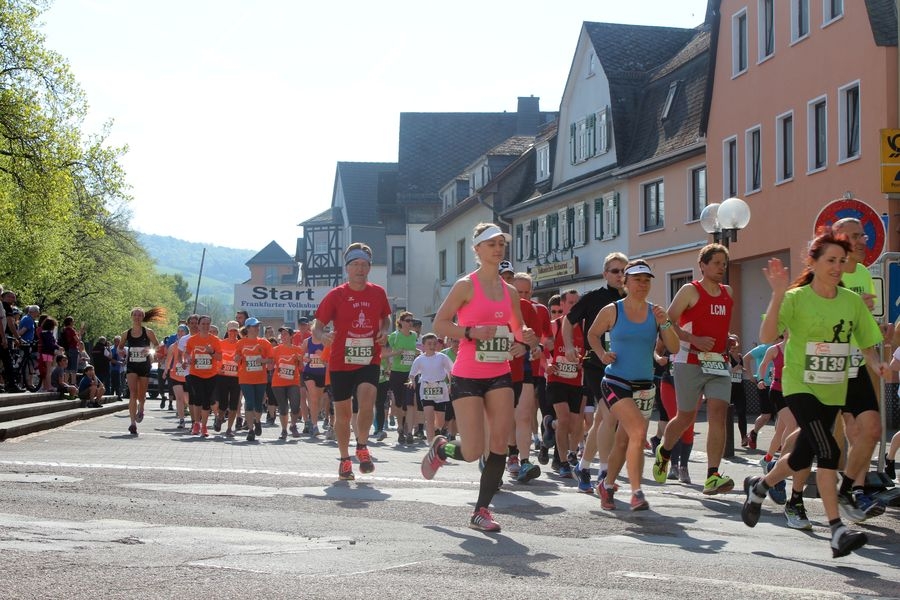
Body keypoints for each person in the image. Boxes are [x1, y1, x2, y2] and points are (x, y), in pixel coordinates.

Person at [741, 232, 886, 558]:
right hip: (800, 386)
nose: (836, 267)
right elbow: (766, 336)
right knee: (828, 449)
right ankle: (837, 531)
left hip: (833, 387)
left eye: (841, 261)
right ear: (813, 262)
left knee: (802, 456)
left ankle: (759, 486)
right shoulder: (796, 298)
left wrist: (877, 365)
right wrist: (778, 293)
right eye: (830, 260)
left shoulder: (850, 301)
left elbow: (866, 341)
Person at [420, 223, 535, 532]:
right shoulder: (465, 285)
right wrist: (471, 332)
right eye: (491, 244)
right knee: (471, 451)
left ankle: (481, 511)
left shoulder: (510, 291)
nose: (498, 249)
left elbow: (518, 330)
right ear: (478, 249)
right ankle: (442, 448)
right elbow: (440, 324)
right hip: (468, 375)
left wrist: (524, 341)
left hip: (499, 374)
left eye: (501, 244)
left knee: (499, 444)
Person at [588, 261, 680, 511]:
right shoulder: (613, 310)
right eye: (637, 279)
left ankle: (606, 485)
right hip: (616, 381)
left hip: (644, 385)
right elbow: (593, 334)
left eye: (647, 280)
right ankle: (637, 493)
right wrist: (602, 354)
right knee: (639, 431)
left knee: (625, 440)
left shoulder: (656, 312)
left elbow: (674, 347)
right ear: (625, 282)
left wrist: (665, 323)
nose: (642, 284)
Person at [653, 244, 736, 496]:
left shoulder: (728, 292)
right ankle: (665, 451)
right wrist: (693, 338)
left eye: (724, 264)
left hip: (718, 362)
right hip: (688, 361)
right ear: (702, 265)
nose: (721, 268)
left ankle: (712, 475)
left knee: (718, 414)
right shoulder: (690, 290)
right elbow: (667, 322)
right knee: (686, 417)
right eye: (716, 263)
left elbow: (717, 325)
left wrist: (728, 339)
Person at [314, 242, 392, 480]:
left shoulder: (378, 292)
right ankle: (344, 459)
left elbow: (386, 319)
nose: (360, 269)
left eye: (364, 265)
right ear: (347, 268)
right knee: (343, 414)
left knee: (368, 401)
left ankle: (362, 445)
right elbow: (317, 327)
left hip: (369, 357)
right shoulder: (336, 295)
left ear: (369, 268)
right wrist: (323, 336)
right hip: (341, 361)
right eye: (355, 264)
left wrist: (384, 331)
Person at [830, 217, 888, 518]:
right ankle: (771, 477)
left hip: (856, 361)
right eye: (855, 236)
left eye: (863, 235)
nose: (863, 241)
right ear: (839, 238)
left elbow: (863, 323)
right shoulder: (828, 273)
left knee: (867, 430)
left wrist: (876, 350)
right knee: (807, 437)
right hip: (827, 364)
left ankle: (854, 492)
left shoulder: (864, 273)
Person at [564, 252, 628, 493]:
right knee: (609, 416)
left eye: (624, 271)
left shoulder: (631, 299)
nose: (620, 275)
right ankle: (603, 473)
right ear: (605, 274)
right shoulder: (593, 297)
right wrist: (569, 346)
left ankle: (583, 467)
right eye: (615, 271)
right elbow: (568, 320)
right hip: (595, 364)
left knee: (602, 419)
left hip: (622, 365)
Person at [118, 307, 164, 435]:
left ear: (143, 317)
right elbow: (120, 347)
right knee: (133, 393)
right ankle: (132, 423)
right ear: (131, 317)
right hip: (132, 365)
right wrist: (121, 352)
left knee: (141, 395)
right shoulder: (126, 333)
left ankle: (141, 408)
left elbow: (157, 346)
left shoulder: (148, 332)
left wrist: (149, 351)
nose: (137, 317)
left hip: (144, 365)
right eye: (135, 315)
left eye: (139, 315)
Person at [407, 332, 453, 445]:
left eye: (434, 343)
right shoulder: (420, 359)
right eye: (429, 343)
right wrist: (411, 381)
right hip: (426, 388)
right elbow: (412, 374)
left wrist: (451, 384)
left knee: (440, 421)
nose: (432, 346)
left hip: (440, 389)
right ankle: (431, 444)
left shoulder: (442, 357)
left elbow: (451, 371)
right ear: (423, 345)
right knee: (429, 418)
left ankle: (437, 430)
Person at [235, 317, 273, 442]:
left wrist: (263, 360)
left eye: (258, 326)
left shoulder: (264, 343)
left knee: (258, 404)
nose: (257, 328)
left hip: (260, 378)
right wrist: (236, 358)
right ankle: (250, 430)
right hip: (245, 378)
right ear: (248, 328)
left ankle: (257, 421)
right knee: (249, 402)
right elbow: (237, 356)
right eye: (255, 326)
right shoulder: (241, 343)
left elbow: (271, 359)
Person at [384, 311, 420, 445]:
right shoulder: (394, 336)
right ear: (401, 322)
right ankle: (400, 428)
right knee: (399, 404)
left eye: (412, 320)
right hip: (397, 372)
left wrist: (418, 353)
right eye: (408, 320)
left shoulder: (414, 335)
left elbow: (413, 350)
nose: (411, 323)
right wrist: (396, 353)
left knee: (410, 403)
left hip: (410, 373)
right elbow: (384, 354)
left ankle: (409, 432)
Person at [184, 315, 222, 438]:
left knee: (206, 400)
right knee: (197, 397)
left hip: (211, 374)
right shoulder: (192, 340)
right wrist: (188, 359)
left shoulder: (215, 340)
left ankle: (204, 426)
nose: (205, 326)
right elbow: (187, 353)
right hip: (196, 373)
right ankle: (196, 423)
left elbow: (219, 357)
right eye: (203, 324)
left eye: (207, 324)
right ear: (199, 326)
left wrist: (211, 352)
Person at [271, 326, 304, 440]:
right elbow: (270, 366)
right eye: (282, 334)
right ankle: (284, 430)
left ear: (291, 336)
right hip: (278, 382)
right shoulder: (276, 349)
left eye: (285, 334)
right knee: (283, 408)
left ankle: (293, 425)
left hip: (293, 382)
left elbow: (301, 368)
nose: (283, 336)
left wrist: (300, 360)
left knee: (295, 406)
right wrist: (265, 361)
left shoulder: (297, 349)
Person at [744, 339, 774, 449]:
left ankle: (780, 442)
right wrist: (750, 375)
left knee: (782, 415)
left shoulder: (785, 347)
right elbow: (746, 358)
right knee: (766, 415)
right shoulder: (764, 347)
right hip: (764, 385)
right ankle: (754, 433)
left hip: (780, 384)